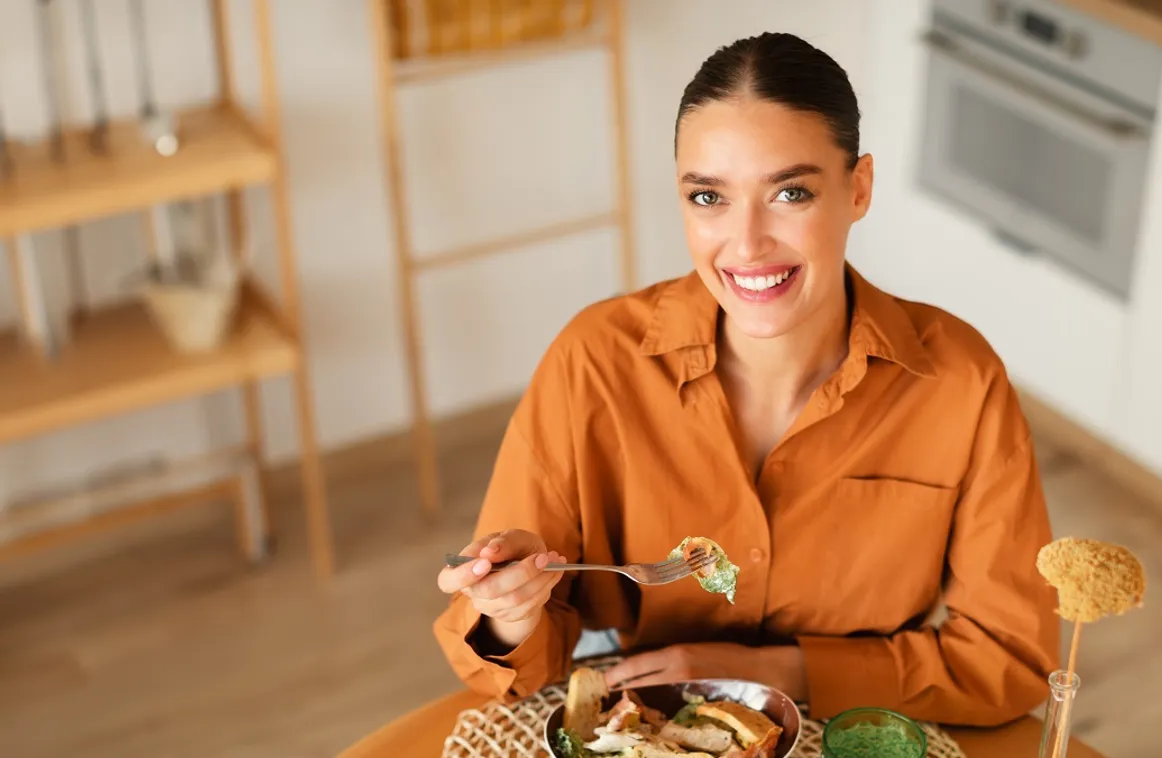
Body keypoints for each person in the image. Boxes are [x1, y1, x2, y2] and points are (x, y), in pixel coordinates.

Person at [433, 31, 1060, 726]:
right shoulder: (595, 361)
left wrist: (774, 671)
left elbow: (1008, 660)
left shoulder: (958, 380)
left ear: (857, 189)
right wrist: (510, 610)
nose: (747, 243)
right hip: (643, 716)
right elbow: (498, 665)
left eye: (790, 192)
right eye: (708, 198)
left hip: (855, 720)